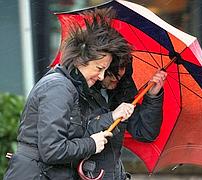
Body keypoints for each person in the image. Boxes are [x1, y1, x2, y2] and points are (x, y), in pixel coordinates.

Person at [3, 8, 134, 180]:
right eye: (99, 68)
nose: (102, 76)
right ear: (81, 59)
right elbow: (52, 150)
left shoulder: (70, 86)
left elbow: (73, 136)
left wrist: (108, 121)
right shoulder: (59, 88)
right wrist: (92, 144)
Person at [87, 56, 167, 179]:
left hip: (114, 173)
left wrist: (152, 97)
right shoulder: (79, 90)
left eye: (119, 76)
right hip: (86, 172)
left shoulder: (122, 90)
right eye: (111, 75)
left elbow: (145, 133)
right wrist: (111, 117)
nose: (115, 80)